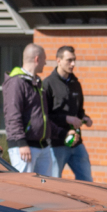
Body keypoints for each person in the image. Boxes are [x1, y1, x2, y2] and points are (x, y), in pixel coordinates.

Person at [2, 43, 55, 175]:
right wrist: (21, 143)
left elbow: (42, 115)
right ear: (37, 59)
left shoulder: (37, 82)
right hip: (24, 147)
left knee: (45, 188)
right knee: (24, 189)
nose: (46, 62)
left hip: (42, 146)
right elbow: (12, 115)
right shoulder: (16, 82)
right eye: (44, 59)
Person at [43, 45, 94, 181]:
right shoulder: (48, 84)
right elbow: (45, 116)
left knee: (87, 180)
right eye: (69, 60)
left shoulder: (75, 83)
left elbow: (79, 111)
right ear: (58, 60)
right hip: (57, 143)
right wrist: (66, 119)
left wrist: (85, 118)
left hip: (76, 142)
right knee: (54, 182)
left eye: (74, 60)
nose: (73, 64)